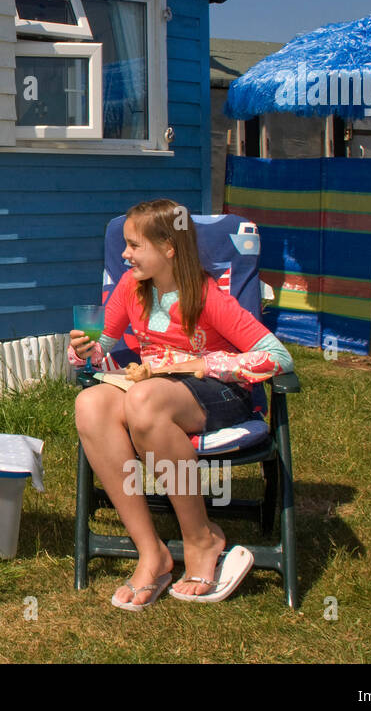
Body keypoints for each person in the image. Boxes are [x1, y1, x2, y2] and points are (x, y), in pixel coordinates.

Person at [71, 199, 293, 610]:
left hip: (220, 394)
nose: (124, 255)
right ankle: (151, 552)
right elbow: (102, 347)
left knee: (144, 399)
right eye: (125, 245)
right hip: (154, 392)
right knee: (90, 404)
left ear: (169, 248)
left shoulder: (207, 295)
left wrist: (200, 363)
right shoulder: (130, 288)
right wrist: (86, 350)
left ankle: (201, 539)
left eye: (135, 246)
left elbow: (278, 357)